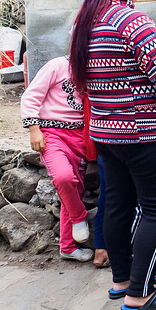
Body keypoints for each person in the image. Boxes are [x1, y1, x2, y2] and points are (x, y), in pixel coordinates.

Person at [69, 0, 156, 310]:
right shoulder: (132, 21)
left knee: (118, 205)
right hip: (144, 134)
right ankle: (140, 293)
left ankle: (122, 280)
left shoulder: (85, 23)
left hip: (105, 134)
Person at [21, 55, 94, 263]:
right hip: (52, 134)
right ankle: (80, 218)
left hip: (80, 137)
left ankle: (68, 247)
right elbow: (31, 96)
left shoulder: (95, 69)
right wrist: (34, 129)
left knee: (73, 190)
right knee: (63, 178)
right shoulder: (57, 66)